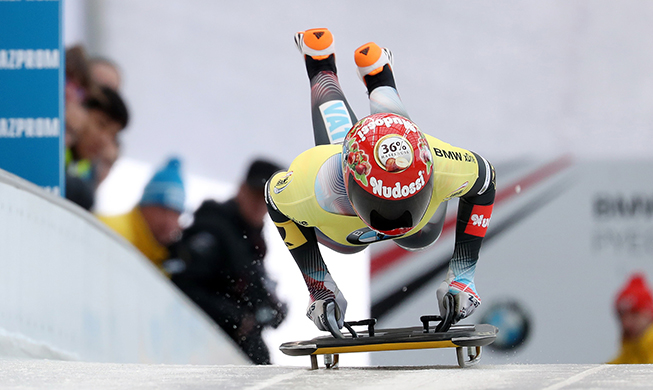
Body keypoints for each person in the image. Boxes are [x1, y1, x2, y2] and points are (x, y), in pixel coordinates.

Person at [265, 28, 496, 337]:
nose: (392, 219)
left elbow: (486, 181)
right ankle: (343, 70)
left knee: (418, 235)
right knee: (364, 238)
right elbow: (275, 199)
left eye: (405, 200)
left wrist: (462, 277)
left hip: (362, 215)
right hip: (347, 198)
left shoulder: (441, 164)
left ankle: (348, 70)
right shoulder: (312, 183)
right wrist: (320, 287)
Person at [170, 159, 288, 365]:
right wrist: (236, 317)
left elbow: (249, 288)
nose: (260, 205)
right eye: (255, 195)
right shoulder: (214, 228)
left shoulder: (250, 238)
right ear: (241, 189)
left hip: (230, 350)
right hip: (202, 348)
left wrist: (271, 309)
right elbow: (184, 287)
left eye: (267, 200)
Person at [98, 157, 185, 272]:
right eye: (162, 209)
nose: (168, 220)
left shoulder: (167, 258)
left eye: (175, 213)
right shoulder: (110, 230)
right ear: (145, 205)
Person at [609, 273, 653, 364]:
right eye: (621, 315)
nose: (626, 323)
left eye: (634, 314)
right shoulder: (625, 358)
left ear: (649, 313)